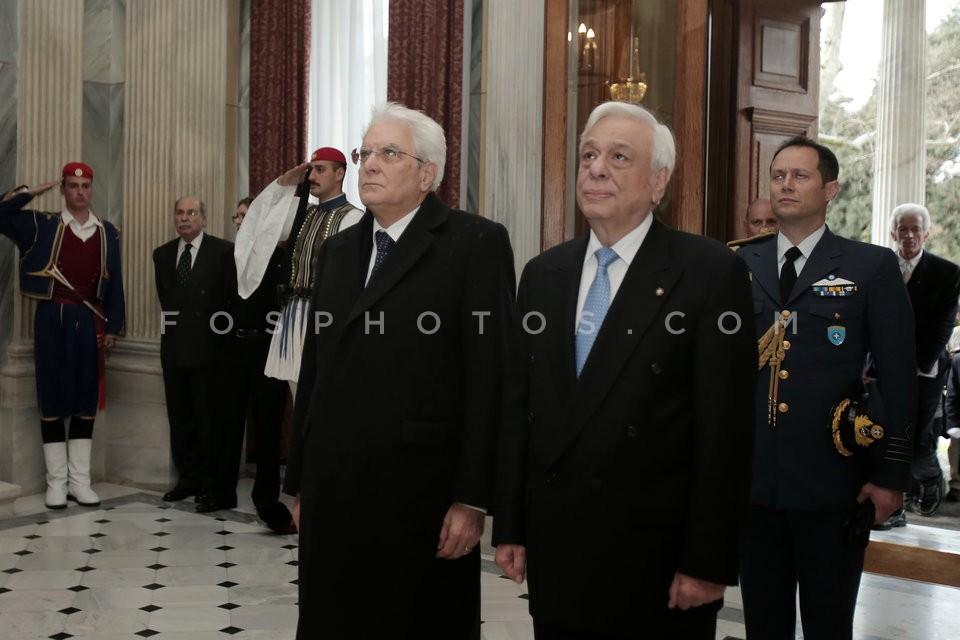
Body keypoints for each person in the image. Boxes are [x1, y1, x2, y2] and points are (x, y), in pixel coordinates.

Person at [493, 101, 757, 639]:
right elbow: (522, 411)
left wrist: (707, 561)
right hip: (560, 548)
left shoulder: (709, 272)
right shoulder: (543, 274)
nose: (595, 168)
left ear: (658, 181)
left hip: (656, 560)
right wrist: (512, 525)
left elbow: (724, 434)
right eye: (589, 154)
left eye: (618, 156)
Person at [282, 102, 516, 639]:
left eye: (389, 153)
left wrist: (473, 497)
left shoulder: (475, 243)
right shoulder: (338, 251)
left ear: (427, 173)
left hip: (422, 498)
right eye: (366, 153)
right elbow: (316, 370)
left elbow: (491, 379)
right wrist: (302, 484)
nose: (369, 165)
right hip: (336, 488)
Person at [737, 136, 916, 639]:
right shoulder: (736, 264)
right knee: (763, 625)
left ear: (831, 189)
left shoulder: (869, 267)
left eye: (800, 175)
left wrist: (891, 475)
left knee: (828, 624)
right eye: (777, 176)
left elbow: (898, 376)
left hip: (834, 481)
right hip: (753, 483)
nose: (785, 185)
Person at [0, 164, 125, 510]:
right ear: (63, 189)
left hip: (89, 320)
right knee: (52, 398)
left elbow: (115, 284)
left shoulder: (108, 232)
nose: (80, 192)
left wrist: (113, 326)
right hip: (51, 317)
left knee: (85, 401)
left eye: (85, 186)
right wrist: (31, 191)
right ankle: (56, 483)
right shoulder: (41, 225)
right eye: (72, 186)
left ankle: (79, 483)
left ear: (92, 189)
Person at [235, 147, 362, 395]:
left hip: (328, 319)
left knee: (327, 397)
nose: (312, 176)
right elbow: (257, 226)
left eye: (320, 169)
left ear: (339, 174)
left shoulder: (355, 219)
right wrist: (283, 184)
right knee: (298, 397)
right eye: (311, 170)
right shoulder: (300, 213)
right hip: (292, 315)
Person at [153, 196, 236, 511]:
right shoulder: (161, 255)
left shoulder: (223, 252)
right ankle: (186, 479)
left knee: (207, 420)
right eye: (180, 212)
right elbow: (168, 302)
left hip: (210, 353)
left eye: (191, 212)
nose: (184, 218)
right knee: (180, 418)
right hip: (174, 351)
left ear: (204, 218)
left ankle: (207, 482)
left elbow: (228, 302)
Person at [219, 197, 293, 529]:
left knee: (267, 428)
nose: (239, 221)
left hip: (267, 351)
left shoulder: (281, 258)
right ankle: (222, 492)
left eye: (246, 216)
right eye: (237, 216)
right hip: (232, 351)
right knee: (228, 423)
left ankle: (266, 498)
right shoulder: (227, 258)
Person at [885, 203, 960, 520]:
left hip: (926, 369)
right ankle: (896, 503)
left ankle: (930, 481)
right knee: (887, 433)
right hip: (884, 367)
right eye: (903, 228)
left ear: (926, 233)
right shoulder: (880, 267)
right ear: (893, 233)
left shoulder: (947, 272)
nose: (910, 234)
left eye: (916, 228)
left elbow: (944, 323)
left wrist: (917, 363)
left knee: (916, 434)